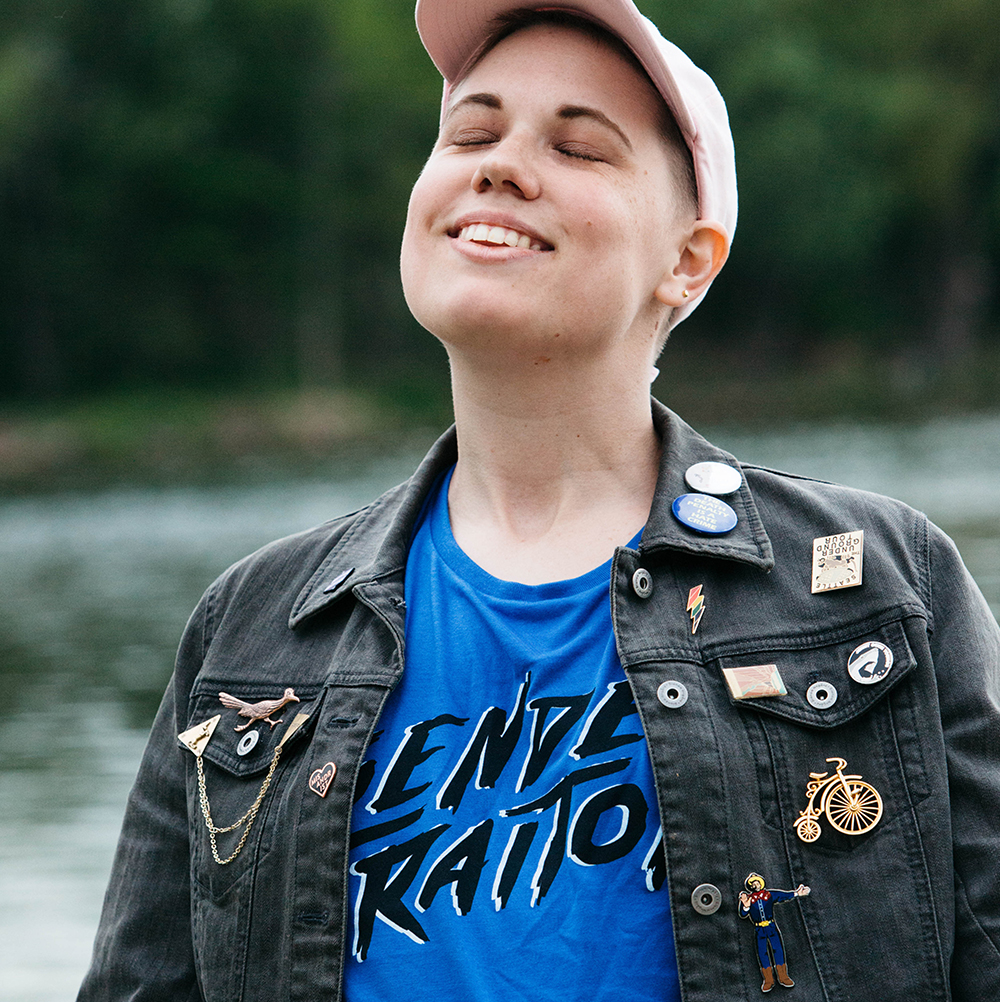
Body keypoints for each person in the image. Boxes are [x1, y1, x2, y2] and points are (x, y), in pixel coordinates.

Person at [79, 1, 1000, 1000]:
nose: (501, 163)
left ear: (687, 260)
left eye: (577, 146)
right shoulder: (250, 630)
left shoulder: (879, 582)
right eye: (470, 132)